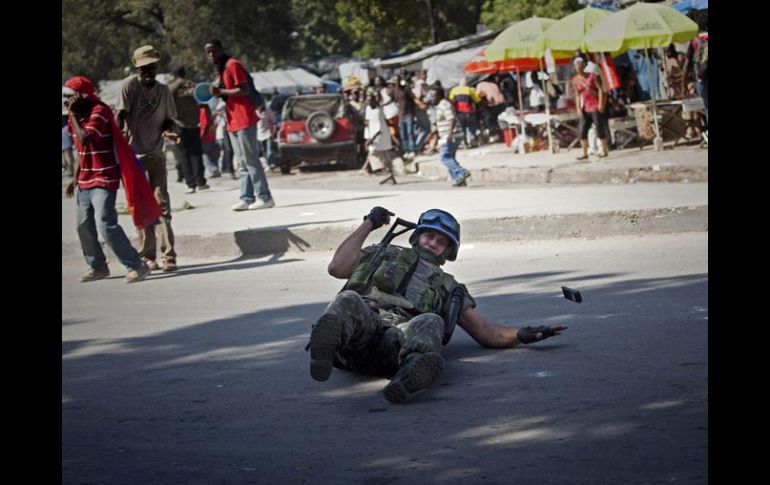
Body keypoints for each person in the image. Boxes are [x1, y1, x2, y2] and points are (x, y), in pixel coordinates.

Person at [307, 207, 567, 403]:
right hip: (357, 337)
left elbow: (486, 331)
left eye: (441, 241)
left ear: (447, 252)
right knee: (348, 300)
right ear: (417, 236)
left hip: (394, 347)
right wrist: (370, 223)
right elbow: (337, 268)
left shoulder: (449, 285)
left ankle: (409, 377)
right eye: (429, 236)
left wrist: (524, 334)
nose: (433, 243)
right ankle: (325, 349)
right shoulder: (381, 252)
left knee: (432, 320)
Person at [63, 76, 151, 284]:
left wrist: (73, 113)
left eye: (69, 96)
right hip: (86, 178)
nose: (66, 101)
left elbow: (86, 138)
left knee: (106, 224)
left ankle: (136, 265)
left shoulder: (99, 111)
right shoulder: (75, 117)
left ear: (81, 96)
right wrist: (75, 178)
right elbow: (80, 150)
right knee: (82, 225)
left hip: (104, 177)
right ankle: (97, 266)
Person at [116, 45, 181, 272]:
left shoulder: (164, 91)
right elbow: (120, 116)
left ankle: (169, 255)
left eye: (152, 67)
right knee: (141, 208)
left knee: (162, 205)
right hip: (134, 156)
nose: (148, 72)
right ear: (137, 68)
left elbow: (169, 119)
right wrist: (119, 144)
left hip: (156, 154)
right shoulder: (128, 86)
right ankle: (147, 255)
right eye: (144, 68)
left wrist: (168, 130)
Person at [204, 39, 276, 211]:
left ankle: (265, 197)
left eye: (213, 51)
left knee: (251, 159)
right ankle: (247, 197)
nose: (211, 55)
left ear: (221, 49)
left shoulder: (233, 65)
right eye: (208, 52)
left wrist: (221, 91)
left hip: (244, 118)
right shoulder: (221, 69)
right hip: (232, 121)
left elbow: (244, 90)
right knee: (242, 162)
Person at [168, 65, 209, 194]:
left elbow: (166, 106)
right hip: (194, 123)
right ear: (185, 73)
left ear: (174, 74)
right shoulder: (194, 86)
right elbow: (203, 102)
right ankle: (201, 181)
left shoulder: (171, 88)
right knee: (196, 153)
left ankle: (190, 184)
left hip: (179, 124)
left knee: (184, 155)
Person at [430, 85, 471, 187]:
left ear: (439, 96)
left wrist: (449, 134)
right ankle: (458, 179)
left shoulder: (444, 105)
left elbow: (451, 119)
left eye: (433, 96)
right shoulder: (441, 105)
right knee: (450, 158)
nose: (432, 98)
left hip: (450, 135)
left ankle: (461, 172)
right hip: (448, 134)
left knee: (445, 157)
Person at [571, 57, 609, 160]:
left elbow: (600, 89)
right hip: (585, 107)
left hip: (594, 105)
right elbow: (577, 95)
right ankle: (584, 152)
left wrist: (600, 103)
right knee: (583, 130)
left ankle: (604, 150)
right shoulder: (575, 80)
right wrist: (578, 108)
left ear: (583, 66)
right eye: (576, 66)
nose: (578, 68)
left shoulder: (591, 76)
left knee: (599, 128)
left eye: (580, 65)